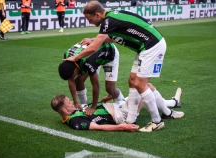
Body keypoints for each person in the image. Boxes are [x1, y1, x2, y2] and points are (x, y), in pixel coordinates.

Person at [66, 1, 170, 132]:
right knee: (132, 80)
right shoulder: (111, 16)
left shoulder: (108, 21)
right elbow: (110, 38)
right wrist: (95, 39)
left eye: (89, 19)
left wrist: (75, 58)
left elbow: (93, 48)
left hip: (151, 46)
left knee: (140, 84)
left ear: (97, 14)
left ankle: (157, 121)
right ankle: (133, 118)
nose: (90, 22)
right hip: (146, 46)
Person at [51, 85, 184, 131]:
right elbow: (99, 127)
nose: (72, 102)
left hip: (116, 107)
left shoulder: (74, 111)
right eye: (68, 102)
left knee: (147, 87)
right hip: (119, 115)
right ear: (63, 110)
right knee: (144, 88)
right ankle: (168, 112)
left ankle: (172, 104)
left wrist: (103, 102)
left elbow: (92, 112)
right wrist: (122, 127)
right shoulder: (75, 121)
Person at [58, 42, 124, 115]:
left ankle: (122, 101)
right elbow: (71, 80)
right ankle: (84, 104)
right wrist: (75, 102)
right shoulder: (67, 59)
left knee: (110, 89)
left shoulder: (88, 62)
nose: (71, 79)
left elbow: (95, 85)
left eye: (72, 76)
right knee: (78, 80)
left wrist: (93, 107)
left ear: (75, 70)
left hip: (109, 54)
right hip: (93, 56)